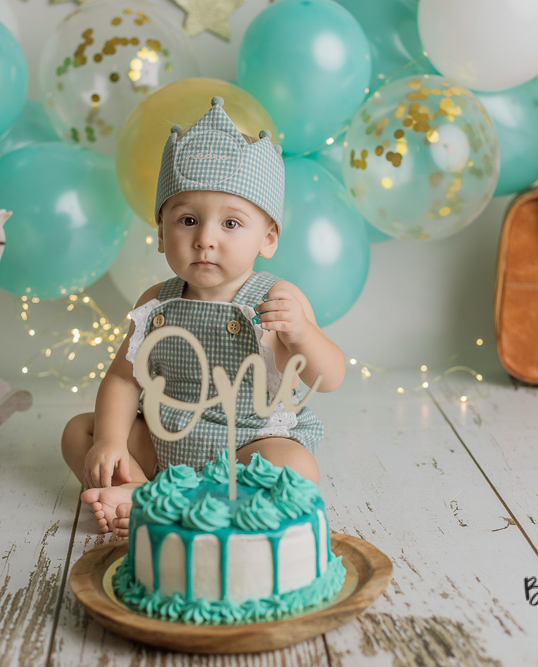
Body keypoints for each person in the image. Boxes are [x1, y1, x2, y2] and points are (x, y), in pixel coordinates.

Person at [60, 96, 345, 536]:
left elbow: (329, 378)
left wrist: (302, 333)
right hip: (163, 438)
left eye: (231, 224)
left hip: (245, 445)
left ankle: (173, 502)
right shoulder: (158, 301)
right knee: (80, 432)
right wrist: (113, 441)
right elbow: (122, 378)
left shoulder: (278, 298)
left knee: (296, 468)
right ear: (161, 233)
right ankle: (138, 489)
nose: (205, 239)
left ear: (267, 239)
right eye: (188, 220)